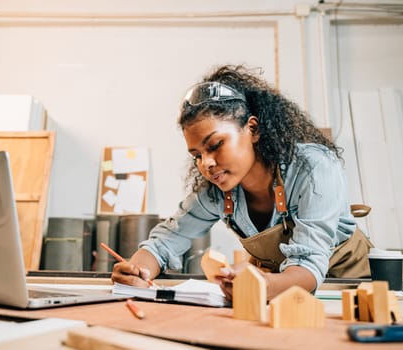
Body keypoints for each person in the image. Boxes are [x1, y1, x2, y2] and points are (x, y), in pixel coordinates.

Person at [110, 64, 372, 301]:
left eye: (215, 145)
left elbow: (307, 267)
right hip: (276, 293)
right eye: (197, 155)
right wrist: (137, 270)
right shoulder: (216, 192)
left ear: (253, 129)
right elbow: (165, 241)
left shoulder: (313, 167)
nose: (206, 164)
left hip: (350, 291)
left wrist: (262, 285)